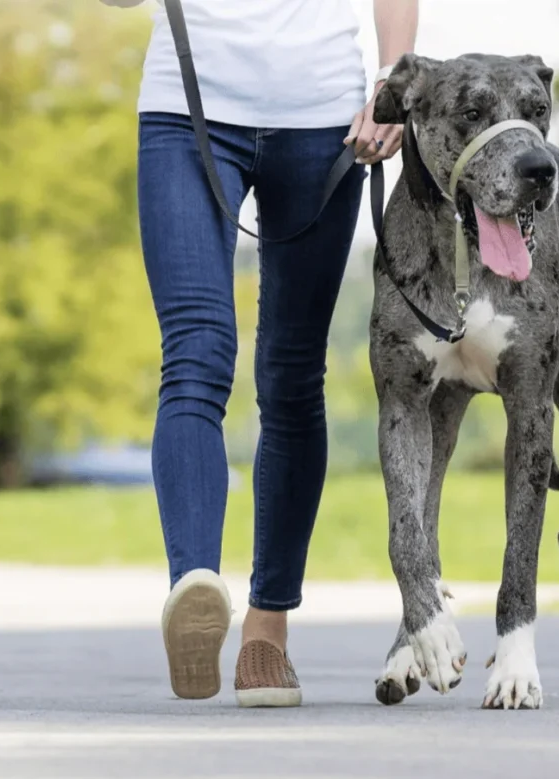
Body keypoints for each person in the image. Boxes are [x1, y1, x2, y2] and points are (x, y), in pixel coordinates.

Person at [100, 0, 417, 707]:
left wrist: (394, 83)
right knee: (196, 350)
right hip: (188, 105)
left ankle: (267, 631)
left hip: (326, 122)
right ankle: (196, 588)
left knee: (292, 372)